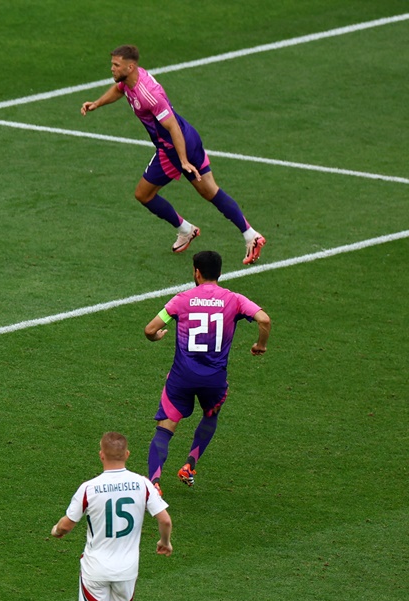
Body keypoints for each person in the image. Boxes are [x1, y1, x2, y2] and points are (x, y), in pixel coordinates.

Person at [81, 45, 266, 265]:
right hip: (190, 137)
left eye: (116, 65)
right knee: (210, 192)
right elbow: (120, 89)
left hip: (173, 147)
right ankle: (250, 235)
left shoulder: (149, 94)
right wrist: (97, 104)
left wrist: (183, 161)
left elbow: (172, 128)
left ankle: (186, 230)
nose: (112, 68)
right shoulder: (130, 80)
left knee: (143, 194)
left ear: (130, 67)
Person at [51, 432, 173, 601]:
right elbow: (164, 520)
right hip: (127, 570)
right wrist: (165, 542)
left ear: (101, 455)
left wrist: (57, 530)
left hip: (95, 569)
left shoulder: (89, 488)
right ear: (127, 455)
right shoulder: (142, 484)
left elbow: (67, 524)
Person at [143, 250, 271, 491]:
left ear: (197, 272)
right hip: (214, 379)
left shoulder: (181, 299)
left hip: (182, 377)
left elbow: (150, 329)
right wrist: (260, 344)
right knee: (211, 414)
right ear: (220, 273)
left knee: (165, 428)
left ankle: (154, 483)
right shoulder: (234, 300)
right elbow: (264, 319)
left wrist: (156, 336)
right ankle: (190, 465)